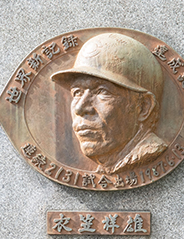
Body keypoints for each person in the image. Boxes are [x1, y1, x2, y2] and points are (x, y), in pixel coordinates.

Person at [51, 33, 167, 174]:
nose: (80, 108)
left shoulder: (146, 154)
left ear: (143, 107)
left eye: (102, 92)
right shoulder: (109, 162)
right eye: (77, 92)